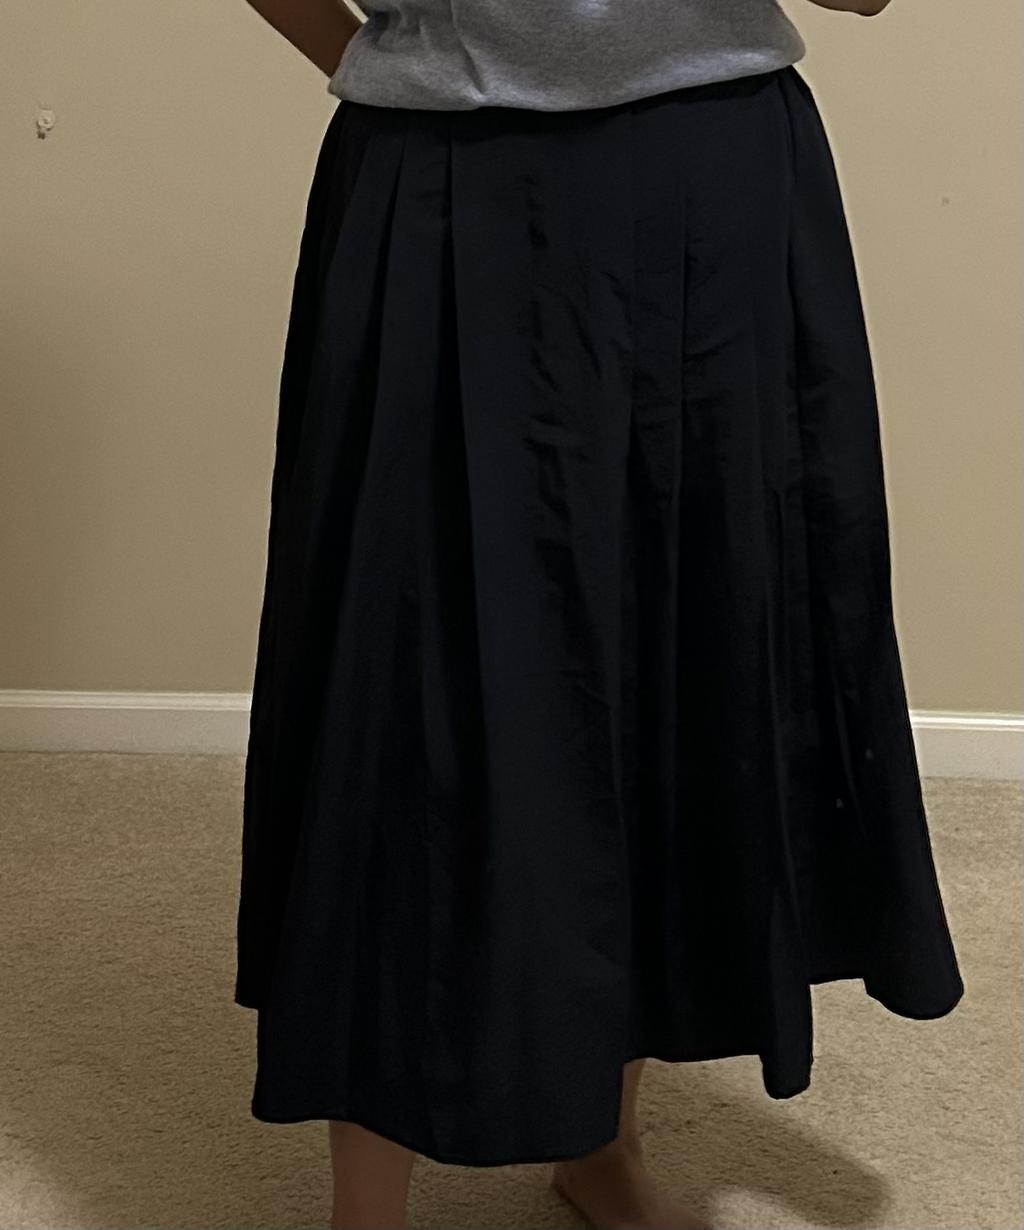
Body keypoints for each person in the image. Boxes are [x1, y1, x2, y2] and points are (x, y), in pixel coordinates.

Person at [233, 2, 965, 1227]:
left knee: (671, 638)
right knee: (401, 677)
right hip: (443, 171)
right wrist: (384, 60)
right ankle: (366, 1211)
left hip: (710, 171)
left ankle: (601, 1140)